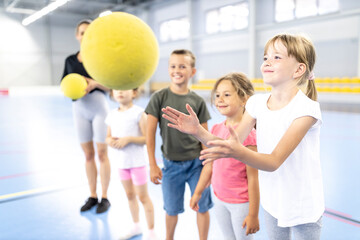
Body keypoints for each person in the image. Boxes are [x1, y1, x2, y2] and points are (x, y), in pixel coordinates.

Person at [162, 33, 324, 240]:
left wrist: (239, 151)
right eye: (266, 57)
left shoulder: (306, 109)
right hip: (272, 200)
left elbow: (273, 161)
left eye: (277, 57)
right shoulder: (257, 104)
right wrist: (198, 132)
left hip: (303, 204)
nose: (267, 62)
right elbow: (230, 144)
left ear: (299, 69)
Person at [145, 49, 213, 240]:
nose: (177, 70)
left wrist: (208, 165)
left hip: (196, 165)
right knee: (171, 209)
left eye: (182, 66)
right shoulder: (159, 98)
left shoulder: (198, 101)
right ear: (168, 69)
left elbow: (205, 137)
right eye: (173, 66)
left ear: (192, 71)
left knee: (202, 206)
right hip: (171, 166)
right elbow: (149, 134)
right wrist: (152, 164)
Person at [189, 72, 260, 240]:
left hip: (240, 203)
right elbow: (209, 165)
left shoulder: (249, 136)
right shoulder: (215, 130)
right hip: (219, 198)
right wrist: (198, 192)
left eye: (227, 95)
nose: (220, 99)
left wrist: (253, 214)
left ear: (244, 100)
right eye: (218, 95)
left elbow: (253, 178)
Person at [62, 19, 111, 214]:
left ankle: (105, 197)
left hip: (99, 108)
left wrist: (94, 83)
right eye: (82, 32)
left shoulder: (101, 59)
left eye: (89, 33)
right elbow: (64, 86)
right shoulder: (70, 61)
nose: (85, 36)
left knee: (101, 154)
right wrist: (75, 88)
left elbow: (111, 86)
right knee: (88, 155)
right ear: (77, 36)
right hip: (79, 109)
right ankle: (92, 195)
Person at [105, 88, 157, 240]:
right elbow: (107, 137)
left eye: (124, 89)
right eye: (117, 90)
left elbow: (148, 138)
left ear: (134, 93)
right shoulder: (112, 115)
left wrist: (129, 139)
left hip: (137, 163)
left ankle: (152, 231)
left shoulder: (139, 113)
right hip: (122, 163)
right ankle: (136, 225)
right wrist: (111, 141)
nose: (120, 92)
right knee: (129, 195)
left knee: (143, 196)